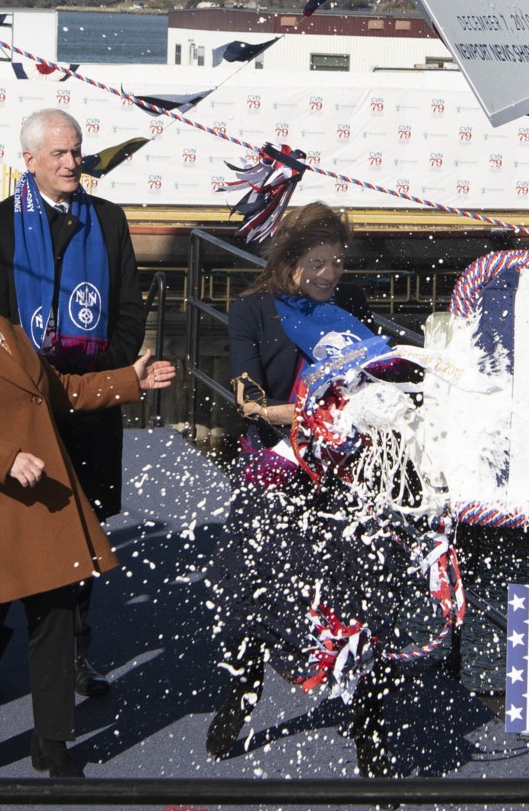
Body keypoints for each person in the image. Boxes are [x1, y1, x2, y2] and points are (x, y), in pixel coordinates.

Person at [0, 222, 173, 779]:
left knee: (55, 623)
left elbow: (64, 391)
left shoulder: (9, 329)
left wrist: (131, 381)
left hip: (40, 503)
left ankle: (52, 741)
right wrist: (4, 458)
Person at [207, 203, 403, 777]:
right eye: (316, 263)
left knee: (367, 603)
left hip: (345, 477)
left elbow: (375, 376)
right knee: (250, 593)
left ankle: (372, 735)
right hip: (278, 468)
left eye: (336, 264)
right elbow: (245, 390)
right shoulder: (252, 310)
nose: (328, 275)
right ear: (289, 259)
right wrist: (286, 411)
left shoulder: (352, 307)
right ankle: (241, 696)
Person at [0, 108, 145, 698]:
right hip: (21, 409)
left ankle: (76, 655)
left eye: (77, 151)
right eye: (59, 154)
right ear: (29, 160)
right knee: (12, 534)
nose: (73, 162)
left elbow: (128, 306)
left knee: (84, 535)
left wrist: (103, 372)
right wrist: (25, 381)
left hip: (90, 405)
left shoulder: (108, 218)